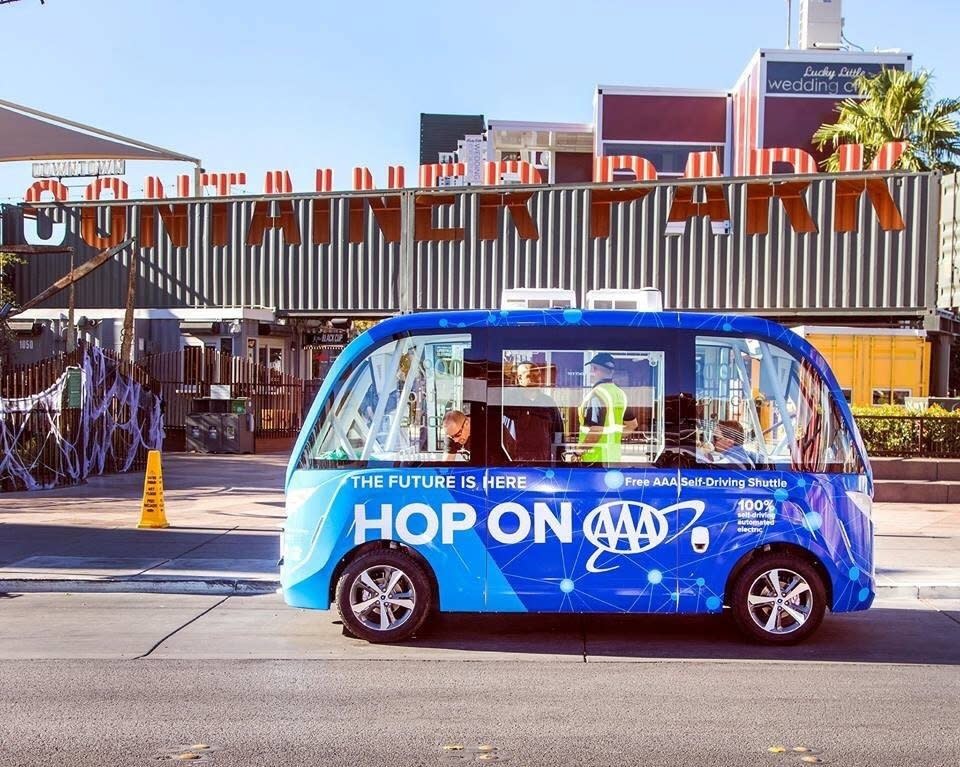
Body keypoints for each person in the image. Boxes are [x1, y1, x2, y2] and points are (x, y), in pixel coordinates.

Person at [575, 353, 637, 462]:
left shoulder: (596, 395)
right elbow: (632, 425)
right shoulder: (620, 394)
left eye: (592, 369)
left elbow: (596, 430)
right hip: (613, 457)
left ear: (595, 369)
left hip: (594, 459)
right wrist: (613, 437)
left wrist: (578, 452)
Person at [503, 362, 564, 462]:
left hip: (543, 464)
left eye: (538, 375)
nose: (536, 379)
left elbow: (558, 431)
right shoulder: (509, 402)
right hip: (515, 465)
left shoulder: (548, 402)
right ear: (519, 379)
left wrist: (559, 456)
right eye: (530, 376)